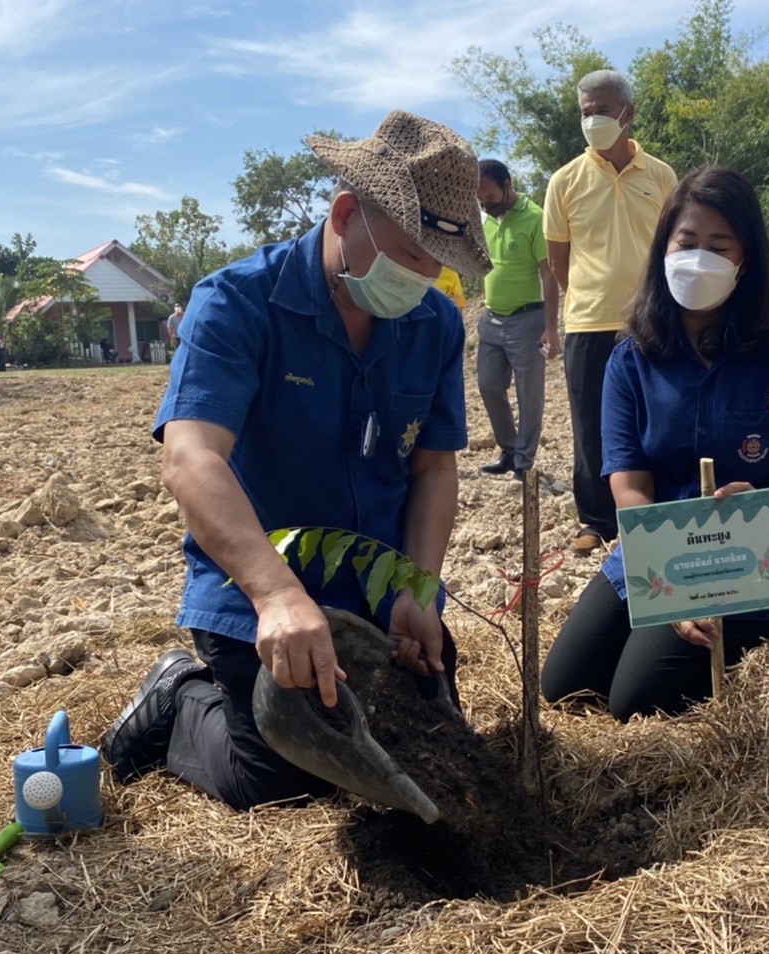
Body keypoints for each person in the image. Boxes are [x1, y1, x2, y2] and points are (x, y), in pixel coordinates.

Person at [99, 111, 490, 811]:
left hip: (373, 593)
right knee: (281, 783)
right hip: (254, 591)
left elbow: (433, 469)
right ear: (346, 214)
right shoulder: (236, 303)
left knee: (429, 754)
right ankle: (180, 695)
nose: (423, 278)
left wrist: (418, 590)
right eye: (409, 254)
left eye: (437, 264)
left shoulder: (431, 325)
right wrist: (278, 596)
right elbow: (192, 461)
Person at [541, 167, 769, 722]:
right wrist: (671, 585)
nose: (699, 257)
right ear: (663, 247)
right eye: (686, 242)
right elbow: (628, 482)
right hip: (659, 549)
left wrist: (761, 509)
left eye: (720, 245)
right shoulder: (631, 358)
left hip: (753, 552)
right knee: (567, 688)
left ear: (747, 258)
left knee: (636, 702)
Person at [544, 69, 677, 552]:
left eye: (601, 110)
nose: (593, 120)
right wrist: (583, 294)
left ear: (628, 113)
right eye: (585, 112)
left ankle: (660, 514)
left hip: (652, 319)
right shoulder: (564, 182)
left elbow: (673, 248)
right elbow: (559, 258)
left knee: (659, 418)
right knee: (591, 424)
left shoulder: (661, 176)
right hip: (588, 321)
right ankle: (597, 522)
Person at [475, 158, 560, 478]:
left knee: (529, 394)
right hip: (491, 319)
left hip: (528, 321)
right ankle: (508, 448)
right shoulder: (485, 220)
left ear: (507, 185)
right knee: (487, 384)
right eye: (480, 200)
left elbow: (548, 275)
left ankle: (524, 461)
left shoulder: (536, 218)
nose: (486, 204)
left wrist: (551, 328)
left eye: (490, 197)